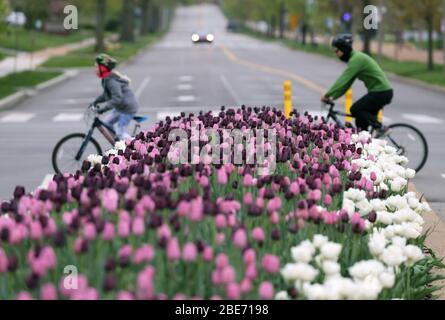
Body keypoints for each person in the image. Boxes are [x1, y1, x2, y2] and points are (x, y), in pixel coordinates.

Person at [321, 34, 394, 132]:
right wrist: (333, 97)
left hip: (381, 92)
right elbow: (347, 84)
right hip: (379, 92)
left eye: (337, 51)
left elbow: (343, 79)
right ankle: (367, 143)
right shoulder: (355, 59)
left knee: (355, 109)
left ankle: (381, 128)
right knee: (361, 123)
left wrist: (327, 94)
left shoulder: (356, 59)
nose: (336, 54)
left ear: (344, 49)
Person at [90, 53, 139, 141]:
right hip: (120, 107)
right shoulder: (107, 79)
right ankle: (118, 145)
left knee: (120, 132)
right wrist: (95, 102)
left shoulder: (111, 81)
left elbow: (117, 98)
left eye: (96, 67)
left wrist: (103, 109)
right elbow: (106, 95)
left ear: (103, 68)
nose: (95, 69)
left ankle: (135, 147)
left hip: (127, 109)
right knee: (106, 124)